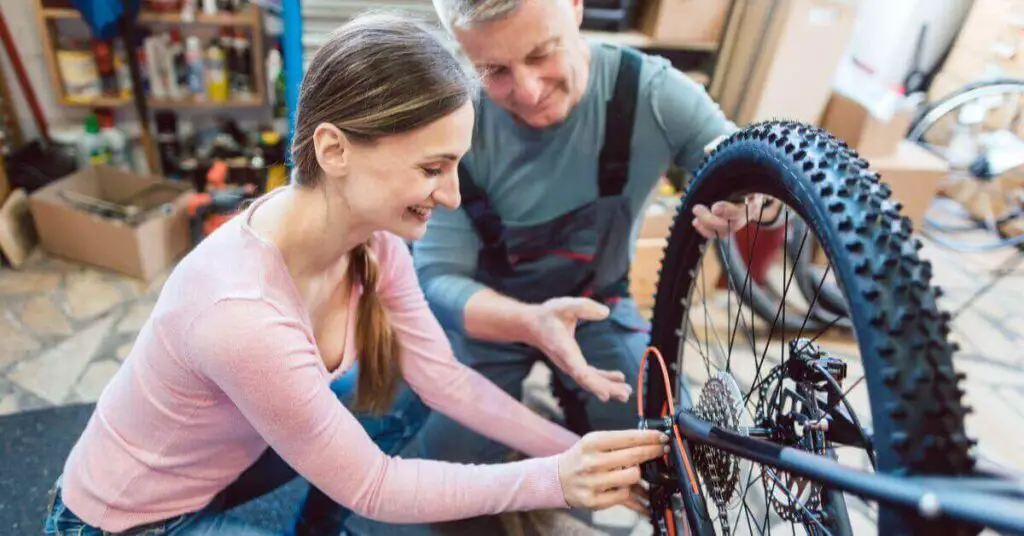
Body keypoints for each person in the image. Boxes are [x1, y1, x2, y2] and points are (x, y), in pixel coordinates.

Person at [42, 13, 670, 536]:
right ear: (334, 150)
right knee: (372, 452)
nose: (451, 195)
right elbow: (376, 484)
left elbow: (446, 381)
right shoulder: (240, 313)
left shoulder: (372, 244)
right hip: (129, 522)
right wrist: (553, 479)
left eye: (456, 166)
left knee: (400, 394)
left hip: (223, 465)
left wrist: (571, 450)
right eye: (432, 168)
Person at [410, 0, 776, 466]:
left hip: (595, 306)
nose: (528, 90)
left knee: (664, 441)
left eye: (542, 53)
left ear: (577, 8)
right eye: (494, 70)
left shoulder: (650, 92)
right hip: (491, 321)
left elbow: (756, 170)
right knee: (448, 468)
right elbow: (438, 278)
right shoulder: (459, 122)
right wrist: (532, 323)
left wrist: (751, 204)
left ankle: (574, 397)